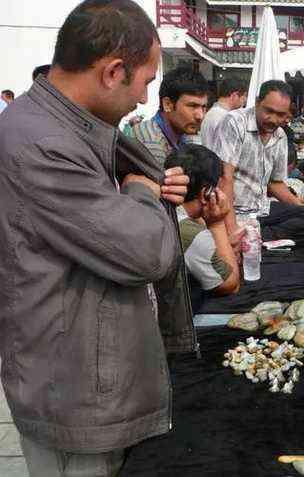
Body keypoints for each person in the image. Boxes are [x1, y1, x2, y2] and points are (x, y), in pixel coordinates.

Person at [0, 1, 194, 475]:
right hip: (73, 385)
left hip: (84, 370)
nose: (145, 100)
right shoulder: (40, 142)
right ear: (113, 72)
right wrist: (141, 191)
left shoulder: (69, 125)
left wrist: (147, 187)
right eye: (146, 82)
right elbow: (145, 251)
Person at [212, 80, 304, 243]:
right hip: (236, 211)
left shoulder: (280, 136)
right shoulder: (235, 122)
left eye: (281, 115)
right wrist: (231, 228)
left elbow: (275, 183)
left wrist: (300, 207)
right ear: (257, 103)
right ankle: (249, 234)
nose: (273, 119)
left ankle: (257, 234)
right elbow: (224, 178)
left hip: (262, 209)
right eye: (269, 111)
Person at [165, 144, 242, 311]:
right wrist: (217, 224)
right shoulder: (188, 231)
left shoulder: (165, 208)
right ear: (206, 192)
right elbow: (230, 284)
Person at [130, 66, 209, 164]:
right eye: (192, 106)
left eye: (204, 107)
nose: (200, 116)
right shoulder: (151, 145)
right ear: (167, 104)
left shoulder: (181, 136)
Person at [200, 77, 247, 146]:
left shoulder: (211, 113)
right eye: (245, 96)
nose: (245, 100)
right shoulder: (225, 118)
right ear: (235, 95)